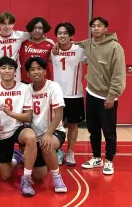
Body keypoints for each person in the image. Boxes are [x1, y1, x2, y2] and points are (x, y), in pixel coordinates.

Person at [79, 17, 126, 175]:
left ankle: (109, 160)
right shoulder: (89, 43)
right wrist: (58, 45)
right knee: (93, 129)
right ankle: (97, 157)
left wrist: (112, 95)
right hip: (91, 93)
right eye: (93, 26)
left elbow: (118, 75)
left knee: (109, 131)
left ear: (106, 28)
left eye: (99, 26)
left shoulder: (115, 47)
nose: (96, 29)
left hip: (107, 97)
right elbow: (73, 45)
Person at [0, 56, 37, 196]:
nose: (7, 71)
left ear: (15, 71)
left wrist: (10, 113)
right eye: (3, 68)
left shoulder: (24, 88)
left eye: (10, 68)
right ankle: (16, 158)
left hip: (18, 128)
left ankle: (26, 178)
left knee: (31, 136)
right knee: (6, 176)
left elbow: (28, 116)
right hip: (1, 133)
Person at [0, 12, 30, 165]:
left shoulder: (20, 35)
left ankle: (21, 150)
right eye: (3, 23)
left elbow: (38, 35)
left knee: (15, 116)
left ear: (13, 24)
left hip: (13, 82)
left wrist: (53, 43)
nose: (6, 26)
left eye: (9, 23)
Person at [25, 57, 67, 193]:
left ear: (44, 71)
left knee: (46, 146)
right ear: (27, 74)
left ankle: (57, 177)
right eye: (32, 70)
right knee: (39, 176)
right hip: (34, 135)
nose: (36, 72)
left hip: (54, 131)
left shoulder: (53, 86)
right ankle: (26, 155)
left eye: (39, 69)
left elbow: (59, 114)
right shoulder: (26, 89)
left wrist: (48, 134)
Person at [51, 22, 86, 166]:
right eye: (59, 33)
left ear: (71, 35)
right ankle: (58, 150)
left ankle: (70, 151)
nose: (62, 35)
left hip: (74, 95)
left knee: (72, 125)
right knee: (56, 125)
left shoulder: (80, 50)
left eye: (65, 33)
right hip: (57, 95)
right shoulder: (52, 50)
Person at [19, 17, 54, 84]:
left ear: (44, 29)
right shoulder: (23, 43)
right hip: (25, 81)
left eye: (40, 28)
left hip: (44, 81)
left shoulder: (50, 43)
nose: (37, 30)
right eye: (34, 28)